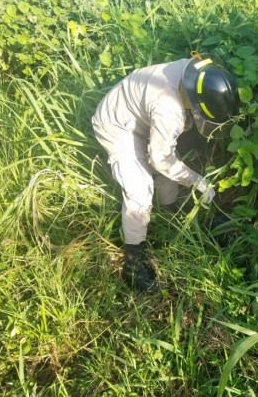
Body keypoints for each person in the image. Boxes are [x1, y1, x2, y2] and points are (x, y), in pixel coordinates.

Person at [92, 52, 240, 292]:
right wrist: (197, 181)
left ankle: (171, 208)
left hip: (139, 110)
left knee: (167, 162)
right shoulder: (168, 109)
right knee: (139, 191)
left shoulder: (196, 72)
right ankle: (133, 262)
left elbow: (163, 157)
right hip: (116, 124)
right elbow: (161, 160)